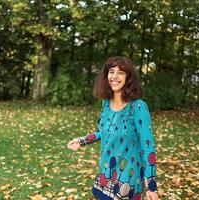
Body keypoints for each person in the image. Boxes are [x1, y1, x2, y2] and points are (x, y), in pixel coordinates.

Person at [67, 56, 158, 200]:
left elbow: (148, 147)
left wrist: (151, 185)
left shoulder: (138, 107)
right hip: (105, 174)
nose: (114, 76)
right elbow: (105, 132)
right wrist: (82, 140)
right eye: (111, 71)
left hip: (127, 179)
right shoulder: (106, 103)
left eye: (121, 72)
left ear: (128, 78)